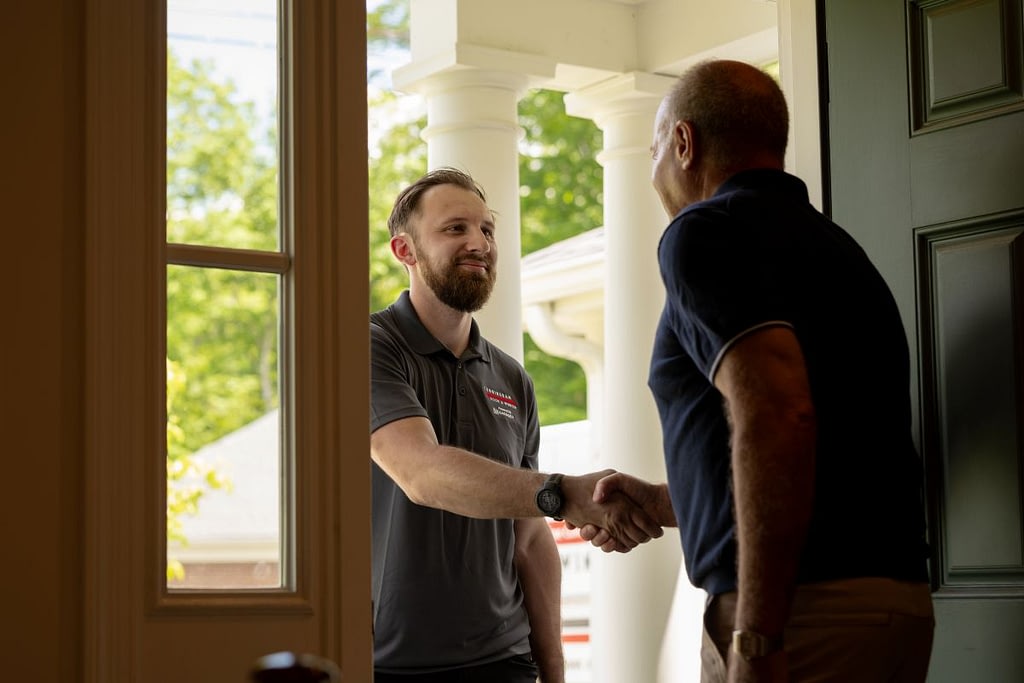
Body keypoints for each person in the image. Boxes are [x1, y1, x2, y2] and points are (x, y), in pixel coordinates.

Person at [579, 59, 934, 682]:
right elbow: (825, 450)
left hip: (800, 617)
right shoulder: (838, 249)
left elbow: (776, 414)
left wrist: (759, 637)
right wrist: (671, 499)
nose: (655, 173)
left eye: (656, 149)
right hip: (887, 606)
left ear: (684, 143)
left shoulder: (702, 232)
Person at [370, 167, 662, 683]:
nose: (479, 243)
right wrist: (564, 492)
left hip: (504, 664)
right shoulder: (372, 346)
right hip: (386, 666)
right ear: (405, 251)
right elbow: (423, 474)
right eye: (455, 228)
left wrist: (552, 671)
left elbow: (528, 538)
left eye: (487, 229)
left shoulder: (511, 378)